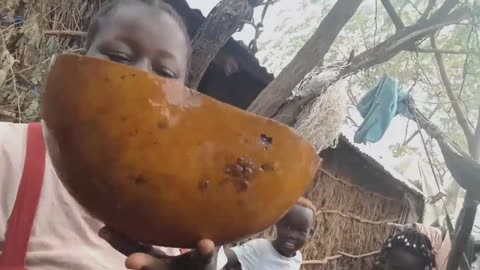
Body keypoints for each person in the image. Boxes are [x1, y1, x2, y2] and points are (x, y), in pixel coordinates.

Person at [0, 0, 220, 269]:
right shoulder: (11, 154)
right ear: (81, 62)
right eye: (119, 56)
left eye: (165, 72)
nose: (140, 76)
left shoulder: (188, 226)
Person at [222, 197, 316, 270]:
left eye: (301, 231)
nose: (292, 235)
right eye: (288, 227)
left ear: (310, 233)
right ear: (278, 223)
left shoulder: (297, 258)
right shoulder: (260, 248)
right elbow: (222, 258)